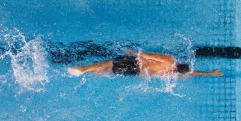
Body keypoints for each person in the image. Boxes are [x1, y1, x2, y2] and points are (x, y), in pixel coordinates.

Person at [68, 49, 223, 78]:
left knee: (107, 63)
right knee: (106, 71)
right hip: (136, 72)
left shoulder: (170, 60)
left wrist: (135, 53)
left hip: (136, 63)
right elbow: (191, 73)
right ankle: (86, 71)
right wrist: (210, 73)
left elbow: (153, 56)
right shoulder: (172, 72)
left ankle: (83, 69)